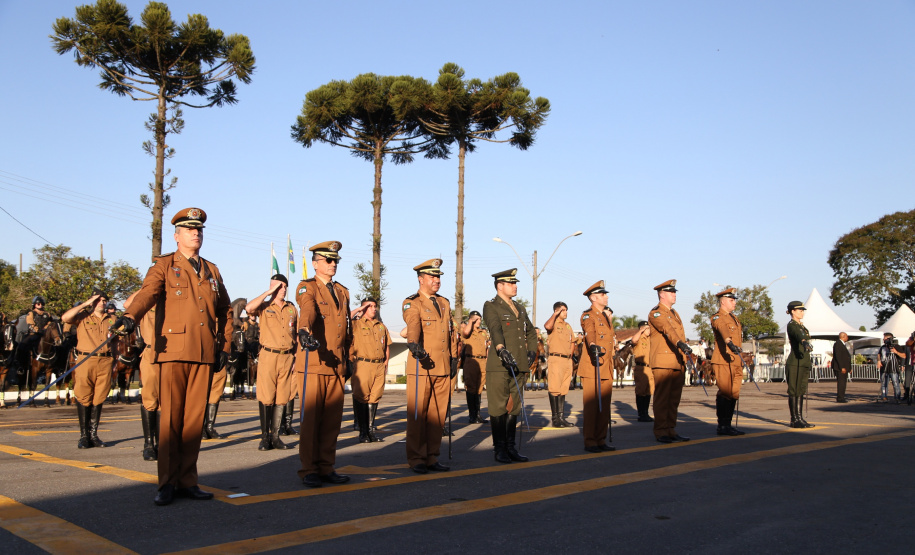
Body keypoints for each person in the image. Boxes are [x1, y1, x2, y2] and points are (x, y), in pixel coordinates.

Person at [115, 207, 233, 506]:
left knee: (194, 422)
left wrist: (225, 347)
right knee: (170, 421)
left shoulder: (212, 270)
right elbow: (148, 293)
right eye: (190, 229)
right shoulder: (164, 265)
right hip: (173, 352)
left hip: (205, 353)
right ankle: (167, 483)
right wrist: (130, 316)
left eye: (200, 229)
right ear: (177, 235)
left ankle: (187, 481)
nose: (196, 233)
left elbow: (225, 311)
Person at [294, 241, 351, 488]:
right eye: (328, 260)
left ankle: (327, 467)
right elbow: (307, 309)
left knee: (332, 421)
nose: (333, 264)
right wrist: (304, 329)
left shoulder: (342, 291)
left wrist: (349, 359)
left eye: (335, 260)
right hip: (314, 362)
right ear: (316, 263)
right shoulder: (307, 287)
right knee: (311, 420)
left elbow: (346, 329)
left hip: (336, 365)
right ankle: (309, 469)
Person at [402, 259, 458, 474]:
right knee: (418, 416)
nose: (437, 280)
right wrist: (413, 344)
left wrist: (454, 358)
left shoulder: (444, 303)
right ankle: (416, 457)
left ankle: (432, 456)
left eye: (439, 277)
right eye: (432, 277)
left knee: (437, 417)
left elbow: (450, 332)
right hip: (421, 366)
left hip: (442, 367)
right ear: (421, 279)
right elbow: (413, 323)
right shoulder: (412, 302)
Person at [482, 268, 538, 464]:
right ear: (500, 286)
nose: (515, 286)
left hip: (519, 364)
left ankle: (511, 447)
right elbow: (495, 328)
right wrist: (500, 348)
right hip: (500, 364)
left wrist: (532, 351)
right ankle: (500, 449)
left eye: (515, 283)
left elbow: (531, 331)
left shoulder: (519, 308)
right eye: (511, 283)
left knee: (514, 407)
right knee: (498, 408)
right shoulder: (491, 306)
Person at [246, 275, 298, 450]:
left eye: (285, 286)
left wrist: (296, 358)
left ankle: (276, 436)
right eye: (279, 286)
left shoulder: (292, 309)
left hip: (287, 356)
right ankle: (265, 437)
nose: (283, 289)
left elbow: (297, 335)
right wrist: (268, 292)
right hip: (269, 355)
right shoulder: (264, 306)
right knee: (266, 396)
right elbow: (248, 308)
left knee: (282, 397)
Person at [61, 288, 116, 449]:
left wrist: (115, 360)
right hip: (86, 359)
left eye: (104, 300)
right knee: (84, 396)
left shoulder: (112, 319)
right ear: (92, 302)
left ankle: (94, 435)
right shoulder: (83, 316)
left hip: (105, 361)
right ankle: (84, 436)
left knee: (99, 397)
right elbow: (65, 317)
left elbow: (115, 341)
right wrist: (86, 304)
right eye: (98, 300)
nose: (102, 303)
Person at [648, 279, 691, 443]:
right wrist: (680, 343)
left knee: (673, 399)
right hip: (663, 361)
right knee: (662, 398)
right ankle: (660, 431)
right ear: (662, 294)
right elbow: (667, 329)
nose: (674, 295)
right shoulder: (656, 313)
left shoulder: (674, 313)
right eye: (671, 292)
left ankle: (670, 429)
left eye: (674, 292)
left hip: (676, 360)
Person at [578, 282, 616, 452]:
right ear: (593, 298)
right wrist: (592, 344)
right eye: (602, 295)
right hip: (593, 367)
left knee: (604, 405)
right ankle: (590, 440)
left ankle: (601, 439)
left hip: (606, 367)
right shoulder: (588, 316)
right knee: (593, 406)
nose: (606, 296)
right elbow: (589, 331)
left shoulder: (605, 317)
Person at [349, 297, 391, 442]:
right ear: (363, 308)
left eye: (374, 306)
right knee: (362, 397)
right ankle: (363, 432)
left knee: (374, 398)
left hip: (379, 365)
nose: (373, 308)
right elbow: (344, 319)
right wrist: (358, 310)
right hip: (363, 364)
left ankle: (371, 431)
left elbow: (386, 346)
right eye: (369, 306)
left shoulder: (381, 326)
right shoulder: (356, 324)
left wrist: (386, 362)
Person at [124, 289, 159, 461]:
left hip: (175, 356)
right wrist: (147, 287)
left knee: (168, 401)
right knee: (150, 399)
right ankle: (149, 444)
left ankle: (163, 443)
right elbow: (128, 305)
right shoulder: (148, 301)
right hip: (152, 352)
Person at [710, 288, 745, 436]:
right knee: (725, 392)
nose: (734, 303)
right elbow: (722, 328)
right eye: (731, 300)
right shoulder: (718, 317)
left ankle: (728, 424)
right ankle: (722, 425)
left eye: (734, 300)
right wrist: (728, 341)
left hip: (736, 360)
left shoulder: (734, 318)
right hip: (723, 360)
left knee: (733, 393)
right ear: (723, 301)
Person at [544, 301, 574, 428]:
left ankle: (561, 417)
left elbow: (573, 341)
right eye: (563, 310)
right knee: (554, 388)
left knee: (563, 389)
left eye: (566, 310)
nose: (566, 312)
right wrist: (554, 314)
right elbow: (547, 326)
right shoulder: (554, 323)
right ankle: (555, 418)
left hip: (567, 360)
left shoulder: (568, 326)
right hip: (556, 358)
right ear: (557, 311)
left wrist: (570, 355)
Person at [785, 301, 814, 427]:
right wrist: (804, 342)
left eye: (803, 310)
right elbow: (798, 335)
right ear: (793, 311)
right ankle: (794, 419)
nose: (802, 312)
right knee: (794, 391)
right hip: (795, 362)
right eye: (799, 310)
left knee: (801, 390)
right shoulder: (792, 325)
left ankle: (800, 418)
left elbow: (802, 333)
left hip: (803, 361)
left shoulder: (802, 326)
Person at [460, 310, 489, 424]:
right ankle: (472, 415)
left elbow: (486, 348)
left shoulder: (483, 332)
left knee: (479, 388)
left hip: (482, 361)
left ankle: (477, 415)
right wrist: (471, 322)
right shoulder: (467, 330)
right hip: (471, 360)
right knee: (471, 387)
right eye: (477, 320)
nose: (479, 322)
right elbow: (465, 333)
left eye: (480, 320)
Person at [630, 320, 654, 422]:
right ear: (642, 329)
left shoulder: (650, 339)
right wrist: (641, 331)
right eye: (647, 328)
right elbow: (633, 340)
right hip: (641, 368)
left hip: (650, 368)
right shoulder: (639, 339)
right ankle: (641, 413)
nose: (649, 330)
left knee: (649, 391)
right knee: (641, 391)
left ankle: (646, 413)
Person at [877, 332, 904, 403]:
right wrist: (879, 361)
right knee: (884, 383)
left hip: (893, 368)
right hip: (884, 368)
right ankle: (884, 396)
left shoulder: (896, 346)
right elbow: (879, 354)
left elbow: (904, 355)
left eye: (885, 338)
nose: (883, 340)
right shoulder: (882, 347)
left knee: (895, 383)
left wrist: (895, 352)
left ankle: (897, 397)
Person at [831, 332, 851, 403]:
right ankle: (840, 398)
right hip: (840, 368)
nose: (847, 338)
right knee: (841, 383)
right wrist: (842, 367)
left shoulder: (842, 344)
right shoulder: (838, 344)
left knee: (843, 383)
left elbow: (846, 357)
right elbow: (838, 356)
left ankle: (842, 396)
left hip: (844, 367)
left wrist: (849, 368)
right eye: (847, 336)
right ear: (843, 336)